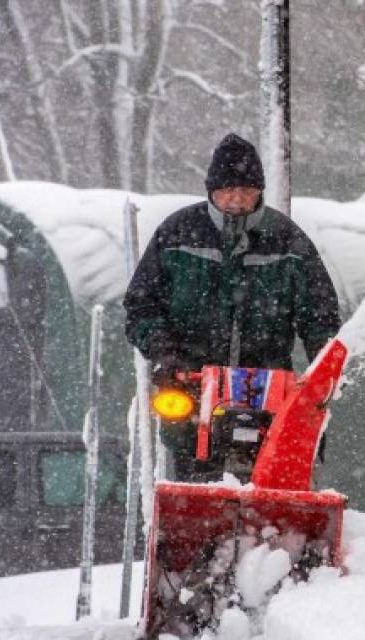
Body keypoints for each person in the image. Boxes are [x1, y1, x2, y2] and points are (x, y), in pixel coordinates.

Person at [124, 132, 340, 478]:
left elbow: (319, 316)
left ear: (259, 192)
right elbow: (140, 308)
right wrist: (165, 353)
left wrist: (321, 376)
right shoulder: (178, 234)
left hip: (267, 385)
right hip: (191, 384)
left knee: (273, 474)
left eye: (246, 190)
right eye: (228, 190)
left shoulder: (287, 241)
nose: (236, 199)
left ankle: (272, 527)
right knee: (190, 479)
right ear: (211, 191)